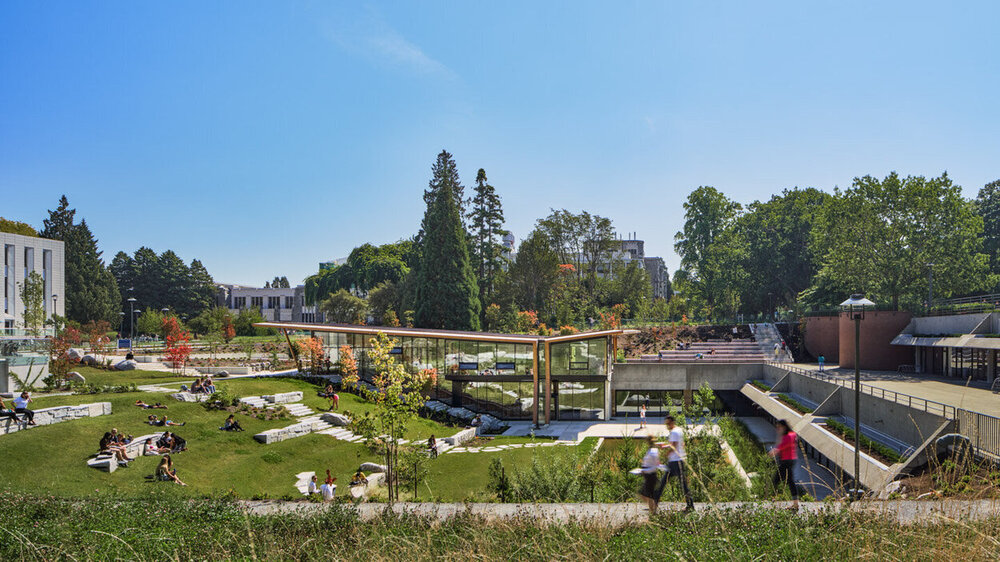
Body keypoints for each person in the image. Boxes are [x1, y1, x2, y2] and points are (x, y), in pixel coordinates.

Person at [656, 415, 694, 512]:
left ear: (672, 422)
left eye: (668, 424)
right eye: (666, 424)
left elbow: (673, 446)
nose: (667, 426)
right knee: (681, 484)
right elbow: (681, 444)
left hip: (675, 461)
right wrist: (664, 445)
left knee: (664, 482)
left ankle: (654, 502)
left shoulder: (673, 432)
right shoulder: (679, 430)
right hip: (679, 460)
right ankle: (690, 505)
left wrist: (665, 453)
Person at [769, 419, 800, 510]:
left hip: (787, 461)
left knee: (779, 480)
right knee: (786, 481)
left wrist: (775, 450)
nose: (778, 429)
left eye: (779, 427)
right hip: (787, 460)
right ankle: (793, 503)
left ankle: (776, 501)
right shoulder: (789, 435)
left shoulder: (789, 435)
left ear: (784, 427)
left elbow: (783, 445)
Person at [638, 435, 661, 513]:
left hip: (650, 475)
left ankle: (653, 511)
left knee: (648, 495)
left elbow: (655, 466)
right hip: (648, 475)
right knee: (645, 494)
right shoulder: (651, 450)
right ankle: (653, 508)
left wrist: (645, 471)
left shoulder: (653, 451)